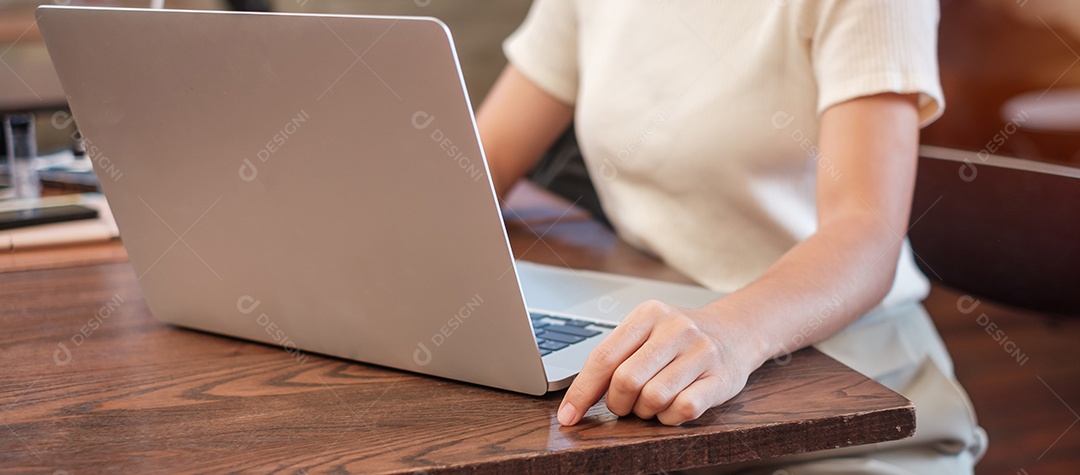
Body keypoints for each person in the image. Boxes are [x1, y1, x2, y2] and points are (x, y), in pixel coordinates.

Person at [475, 1, 989, 473]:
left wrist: (725, 333)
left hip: (847, 373)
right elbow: (485, 161)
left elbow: (867, 232)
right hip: (664, 346)